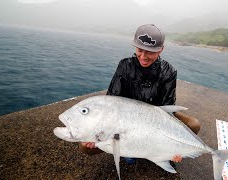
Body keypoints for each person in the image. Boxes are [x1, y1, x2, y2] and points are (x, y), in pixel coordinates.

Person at [79, 24, 201, 164]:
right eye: (140, 50)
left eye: (150, 52)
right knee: (85, 148)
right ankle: (133, 147)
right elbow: (110, 104)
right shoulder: (125, 66)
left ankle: (162, 148)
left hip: (157, 117)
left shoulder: (169, 72)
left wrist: (172, 145)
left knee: (194, 125)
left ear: (161, 50)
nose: (143, 57)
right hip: (126, 119)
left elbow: (167, 109)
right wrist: (96, 133)